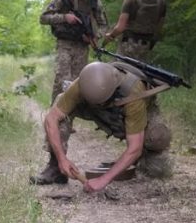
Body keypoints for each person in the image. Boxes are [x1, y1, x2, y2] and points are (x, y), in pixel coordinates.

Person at [42, 61, 173, 193]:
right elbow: (51, 119)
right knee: (60, 104)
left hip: (125, 114)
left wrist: (103, 179)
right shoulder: (83, 83)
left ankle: (143, 161)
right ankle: (55, 168)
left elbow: (135, 147)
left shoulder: (134, 93)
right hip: (96, 110)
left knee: (158, 139)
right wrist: (61, 159)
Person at [32, 0, 109, 185]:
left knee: (74, 101)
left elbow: (104, 27)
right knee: (60, 100)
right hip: (65, 48)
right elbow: (44, 17)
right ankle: (54, 164)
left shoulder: (94, 3)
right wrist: (64, 18)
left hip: (82, 51)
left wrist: (94, 36)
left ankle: (58, 164)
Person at [103, 0, 167, 61]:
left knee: (115, 70)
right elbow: (159, 29)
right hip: (146, 47)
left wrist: (110, 36)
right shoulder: (161, 2)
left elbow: (120, 27)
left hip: (128, 46)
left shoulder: (131, 0)